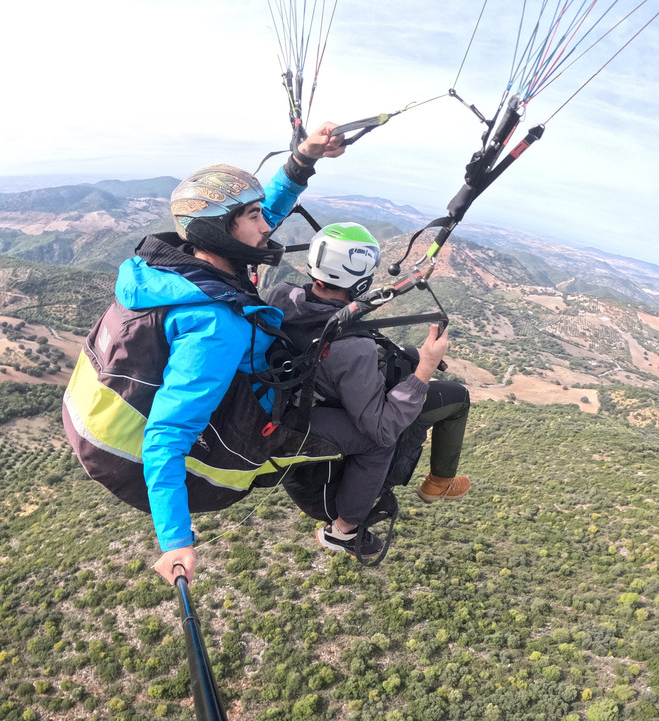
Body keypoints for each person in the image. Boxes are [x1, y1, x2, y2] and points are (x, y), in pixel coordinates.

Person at [104, 124, 347, 586]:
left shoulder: (176, 264)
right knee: (373, 432)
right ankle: (342, 525)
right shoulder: (215, 326)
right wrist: (176, 542)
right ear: (220, 231)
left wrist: (302, 161)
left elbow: (263, 214)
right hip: (249, 417)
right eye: (254, 217)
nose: (266, 226)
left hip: (244, 368)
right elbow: (167, 435)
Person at [266, 222, 471, 560]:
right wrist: (426, 367)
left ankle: (438, 482)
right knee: (380, 442)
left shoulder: (283, 297)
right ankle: (346, 530)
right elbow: (381, 427)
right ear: (362, 280)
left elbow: (342, 313)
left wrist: (409, 288)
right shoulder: (353, 348)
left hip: (289, 395)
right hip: (296, 420)